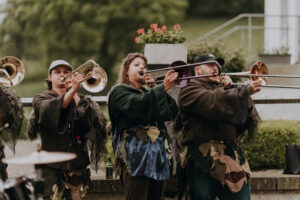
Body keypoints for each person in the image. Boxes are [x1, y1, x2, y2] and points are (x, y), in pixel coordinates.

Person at [177, 53, 263, 200]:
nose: (215, 68)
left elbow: (246, 120)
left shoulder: (227, 90)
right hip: (202, 157)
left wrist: (240, 92)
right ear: (197, 70)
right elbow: (212, 101)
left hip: (231, 157)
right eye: (210, 65)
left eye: (217, 65)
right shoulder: (188, 90)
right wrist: (238, 91)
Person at [27, 59, 107, 199]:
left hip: (77, 166)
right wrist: (72, 91)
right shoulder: (40, 98)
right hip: (52, 166)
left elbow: (88, 125)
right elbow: (49, 110)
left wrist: (74, 91)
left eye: (66, 72)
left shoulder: (81, 99)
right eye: (57, 72)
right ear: (49, 77)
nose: (62, 75)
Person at [108, 52, 179, 200]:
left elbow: (171, 112)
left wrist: (158, 89)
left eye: (144, 66)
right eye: (137, 65)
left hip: (157, 156)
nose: (142, 67)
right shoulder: (118, 91)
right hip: (135, 156)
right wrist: (161, 89)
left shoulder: (150, 92)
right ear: (126, 71)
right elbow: (136, 106)